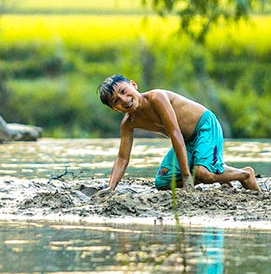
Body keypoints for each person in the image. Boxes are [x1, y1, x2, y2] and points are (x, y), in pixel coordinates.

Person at [97, 74, 259, 192]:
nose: (124, 100)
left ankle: (244, 174)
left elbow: (175, 134)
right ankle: (218, 172)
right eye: (116, 101)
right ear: (114, 109)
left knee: (201, 173)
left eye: (124, 91)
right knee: (163, 182)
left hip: (205, 126)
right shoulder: (128, 123)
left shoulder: (157, 98)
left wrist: (188, 177)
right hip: (186, 141)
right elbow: (122, 158)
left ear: (133, 85)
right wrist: (110, 188)